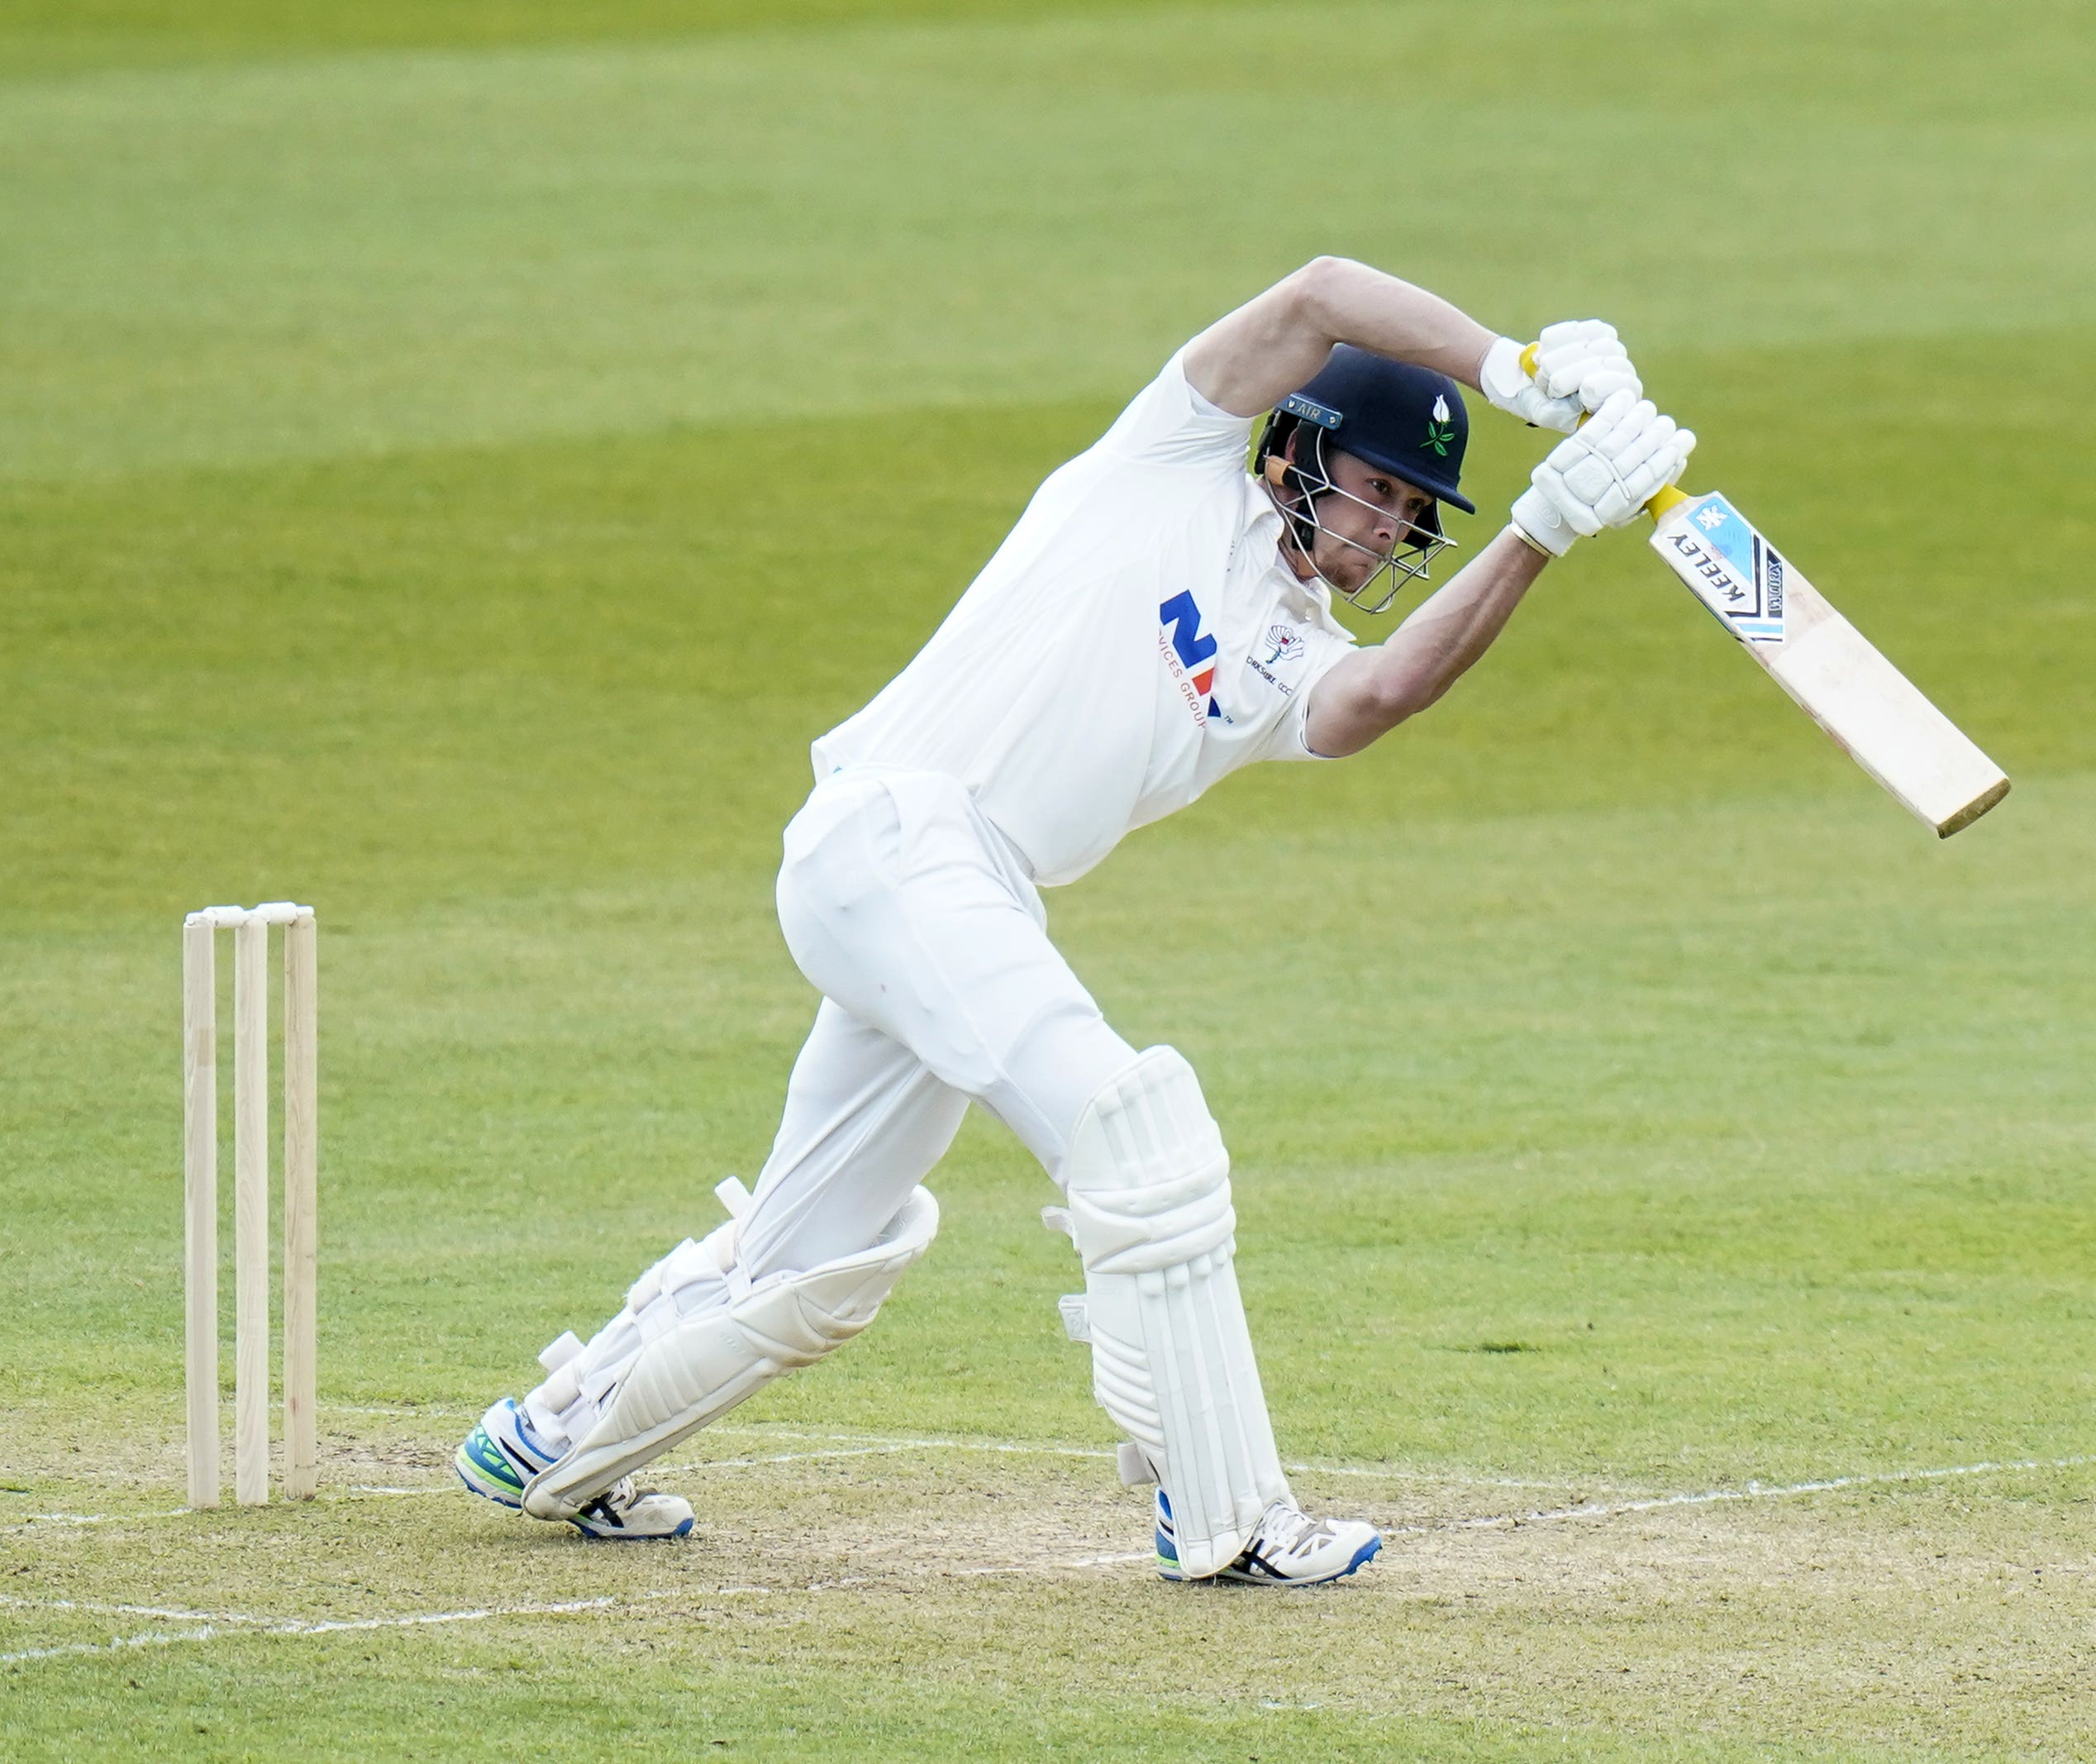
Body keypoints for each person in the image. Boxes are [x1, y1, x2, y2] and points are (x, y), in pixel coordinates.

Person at [455, 257, 1694, 1585]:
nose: (1393, 527)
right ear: (1299, 448)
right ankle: (1227, 1516)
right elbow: (1319, 293)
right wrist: (1510, 370)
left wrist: (1543, 527)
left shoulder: (1291, 656)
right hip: (896, 834)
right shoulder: (1171, 452)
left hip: (959, 897)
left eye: (1416, 511)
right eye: (1381, 489)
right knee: (1140, 1134)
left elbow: (1383, 692)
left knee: (818, 1258)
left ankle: (551, 1440)